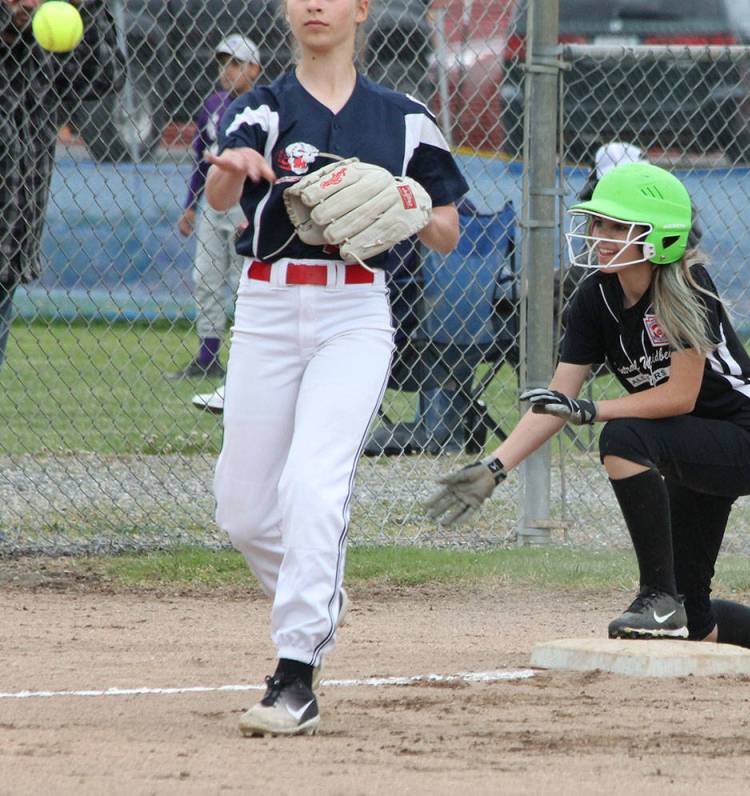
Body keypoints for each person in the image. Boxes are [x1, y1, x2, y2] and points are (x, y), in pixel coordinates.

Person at [427, 162, 750, 662]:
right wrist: (496, 467)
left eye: (617, 226)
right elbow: (558, 401)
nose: (599, 236)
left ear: (659, 237)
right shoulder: (594, 298)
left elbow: (679, 396)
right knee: (697, 624)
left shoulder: (686, 283)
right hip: (683, 441)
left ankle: (657, 598)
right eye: (598, 223)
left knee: (623, 437)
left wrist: (593, 410)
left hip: (743, 439)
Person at [204, 0, 467, 737]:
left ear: (361, 9)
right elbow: (223, 190)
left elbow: (446, 229)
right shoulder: (261, 104)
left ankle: (295, 678)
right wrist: (233, 169)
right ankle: (318, 595)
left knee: (311, 486)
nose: (314, 5)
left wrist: (406, 202)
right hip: (265, 307)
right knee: (242, 510)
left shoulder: (403, 117)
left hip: (354, 313)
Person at [0, 0, 123, 369]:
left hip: (10, 243)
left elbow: (104, 76)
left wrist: (86, 8)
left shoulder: (42, 49)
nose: (28, 3)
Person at [167, 34, 261, 381]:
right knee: (206, 277)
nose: (227, 71)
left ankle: (248, 359)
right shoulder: (212, 105)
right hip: (212, 201)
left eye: (236, 64)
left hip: (245, 204)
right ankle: (207, 357)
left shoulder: (263, 106)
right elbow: (200, 159)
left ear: (254, 69)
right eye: (224, 64)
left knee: (242, 281)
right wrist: (191, 205)